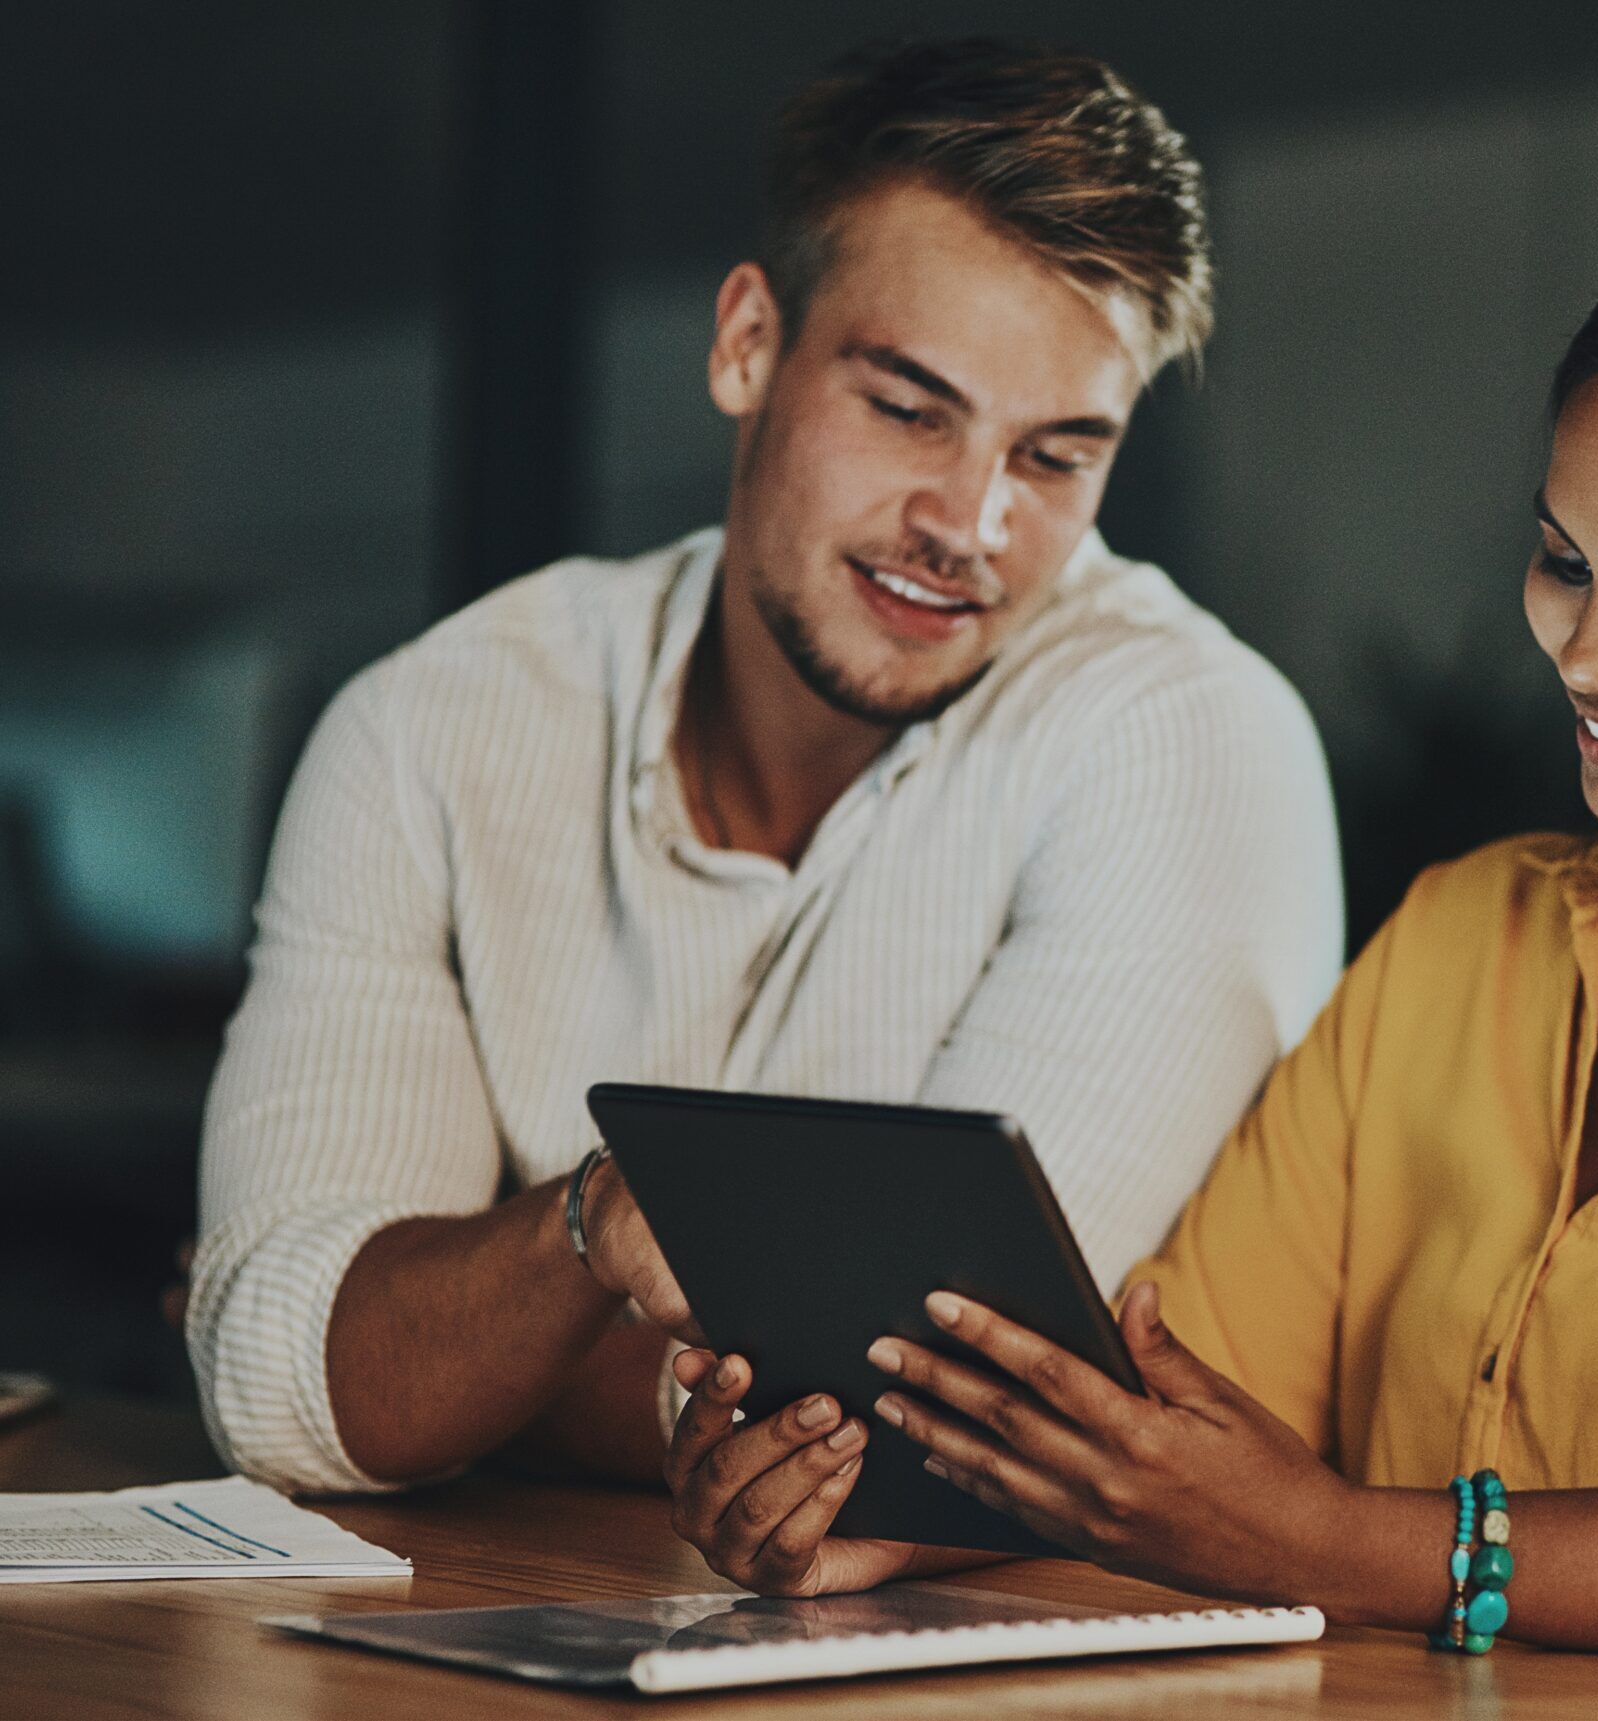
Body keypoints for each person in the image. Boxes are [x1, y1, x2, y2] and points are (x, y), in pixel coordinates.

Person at [663, 191, 1598, 1660]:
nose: (1591, 657)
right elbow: (1168, 1428)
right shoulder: (1469, 936)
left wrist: (1352, 1546)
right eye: (1563, 567)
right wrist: (870, 1519)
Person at [185, 41, 1342, 1497]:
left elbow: (918, 1418)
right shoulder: (432, 726)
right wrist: (593, 1228)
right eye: (910, 407)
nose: (970, 524)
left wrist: (477, 1328)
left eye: (1053, 456)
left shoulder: (1188, 737)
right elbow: (284, 1393)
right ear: (747, 344)